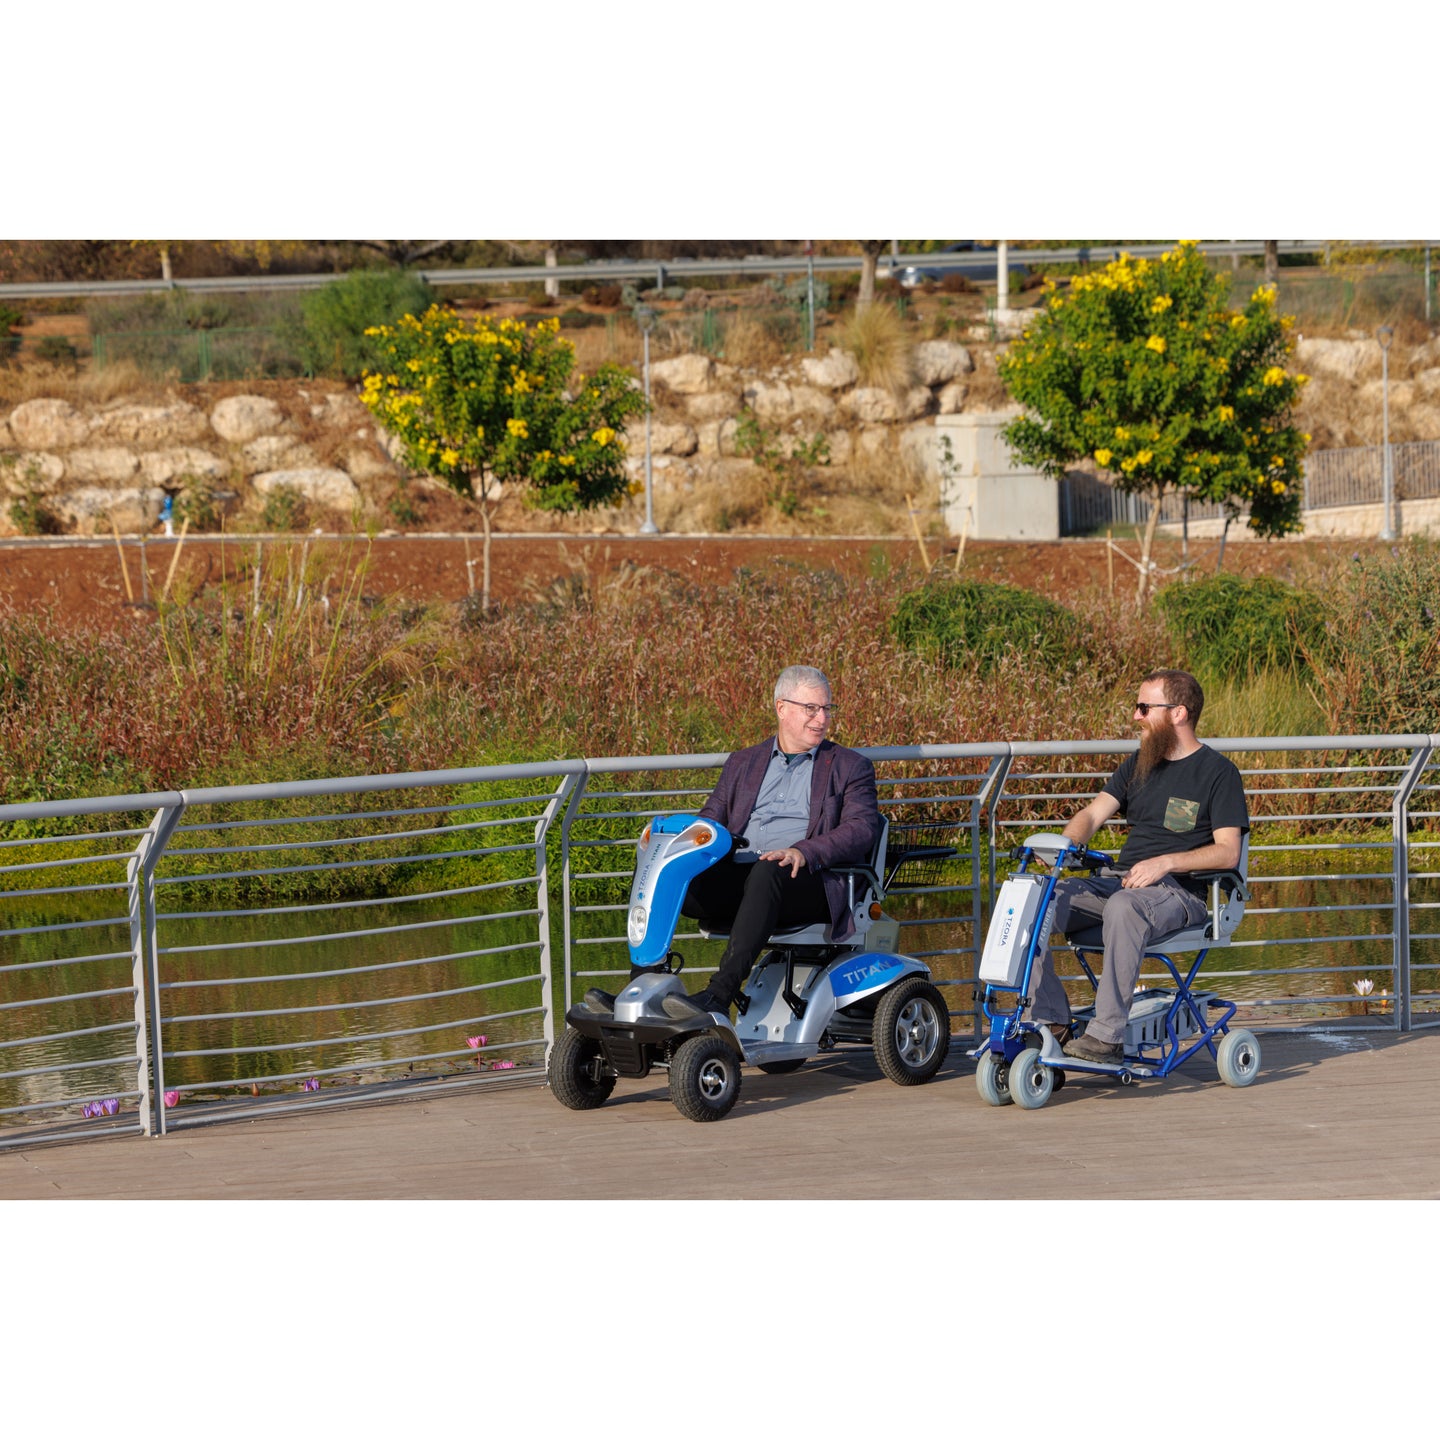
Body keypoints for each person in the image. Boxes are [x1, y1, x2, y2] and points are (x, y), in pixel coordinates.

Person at [1029, 668, 1249, 1064]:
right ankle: (1050, 1022)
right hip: (1123, 882)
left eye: (1144, 708)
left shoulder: (1219, 773)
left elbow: (1228, 852)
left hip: (1179, 893)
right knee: (1033, 900)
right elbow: (1092, 815)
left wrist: (1167, 862)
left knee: (1124, 906)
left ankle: (1107, 1037)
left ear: (1178, 713)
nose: (1136, 716)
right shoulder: (1139, 764)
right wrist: (1064, 845)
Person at [675, 664, 882, 1014]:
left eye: (827, 708)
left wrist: (804, 851)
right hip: (740, 878)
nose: (822, 719)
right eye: (811, 708)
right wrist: (675, 846)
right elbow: (710, 820)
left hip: (806, 879)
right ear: (781, 708)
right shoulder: (742, 763)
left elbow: (862, 829)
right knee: (660, 866)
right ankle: (644, 985)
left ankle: (719, 995)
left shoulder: (849, 766)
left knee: (767, 870)